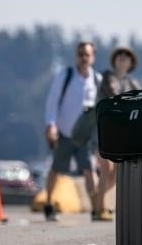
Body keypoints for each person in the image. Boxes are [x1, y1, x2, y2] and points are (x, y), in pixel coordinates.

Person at [43, 41, 107, 221]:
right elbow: (53, 100)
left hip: (84, 136)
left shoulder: (97, 80)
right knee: (56, 169)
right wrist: (51, 124)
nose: (83, 58)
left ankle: (95, 208)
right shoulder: (66, 75)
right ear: (76, 56)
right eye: (80, 54)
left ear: (92, 57)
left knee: (89, 170)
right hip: (64, 131)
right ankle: (49, 204)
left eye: (87, 54)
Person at [92, 46, 142, 220]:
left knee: (117, 171)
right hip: (104, 130)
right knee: (106, 168)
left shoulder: (133, 83)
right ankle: (99, 210)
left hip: (122, 133)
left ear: (131, 62)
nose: (122, 58)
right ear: (114, 60)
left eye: (126, 56)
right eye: (120, 55)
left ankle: (97, 199)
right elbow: (115, 95)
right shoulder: (108, 77)